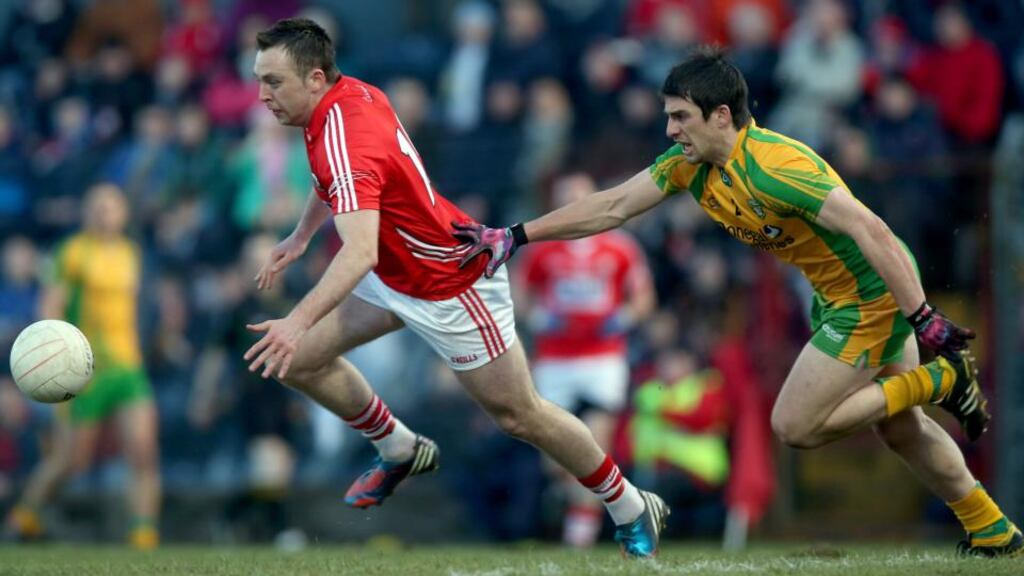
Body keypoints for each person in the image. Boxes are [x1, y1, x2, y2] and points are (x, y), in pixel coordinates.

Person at [454, 46, 1022, 558]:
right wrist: (517, 235)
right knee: (901, 429)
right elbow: (612, 206)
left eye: (680, 116)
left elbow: (872, 230)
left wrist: (921, 316)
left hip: (871, 293)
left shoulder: (778, 167)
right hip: (838, 294)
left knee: (796, 424)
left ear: (720, 116)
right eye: (668, 115)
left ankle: (940, 380)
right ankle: (993, 528)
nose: (670, 128)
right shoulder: (692, 166)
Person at [242, 18, 667, 557]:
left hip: (452, 282)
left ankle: (630, 503)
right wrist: (303, 235)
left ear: (316, 78)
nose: (261, 95)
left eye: (273, 82)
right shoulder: (346, 97)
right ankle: (398, 446)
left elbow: (358, 249)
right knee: (299, 360)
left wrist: (295, 318)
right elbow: (335, 182)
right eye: (260, 80)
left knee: (520, 415)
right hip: (396, 274)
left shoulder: (347, 136)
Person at [4, 184, 161, 549]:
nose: (105, 213)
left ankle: (144, 535)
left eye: (112, 207)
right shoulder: (72, 252)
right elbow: (50, 307)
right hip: (86, 371)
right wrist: (54, 355)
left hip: (127, 366)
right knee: (71, 460)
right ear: (87, 213)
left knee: (143, 449)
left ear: (123, 213)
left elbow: (135, 311)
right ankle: (23, 518)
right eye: (98, 207)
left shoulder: (130, 253)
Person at [513, 171, 655, 548]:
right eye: (565, 197)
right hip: (555, 361)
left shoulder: (620, 247)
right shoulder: (542, 248)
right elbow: (520, 295)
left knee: (596, 449)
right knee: (557, 461)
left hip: (601, 360)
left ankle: (580, 543)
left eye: (580, 197)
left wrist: (622, 318)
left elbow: (643, 297)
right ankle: (576, 509)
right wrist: (539, 316)